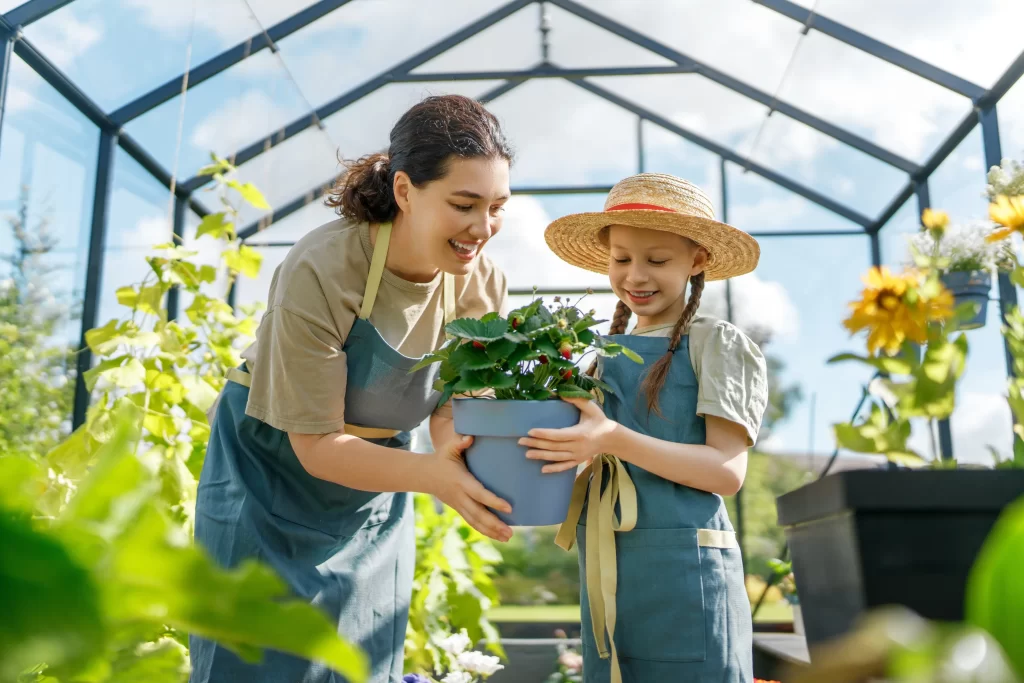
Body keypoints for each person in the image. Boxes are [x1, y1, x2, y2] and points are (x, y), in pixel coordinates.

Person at [190, 94, 517, 683]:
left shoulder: (481, 283)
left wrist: (453, 452)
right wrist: (438, 478)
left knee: (362, 660)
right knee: (252, 658)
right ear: (404, 190)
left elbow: (456, 404)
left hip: (378, 476)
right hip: (267, 469)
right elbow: (315, 447)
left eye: (497, 207)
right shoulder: (325, 265)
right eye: (464, 205)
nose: (482, 228)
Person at [522, 172, 769, 683]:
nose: (636, 275)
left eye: (657, 260)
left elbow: (725, 473)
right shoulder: (602, 356)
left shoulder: (715, 343)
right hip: (609, 565)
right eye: (622, 259)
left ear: (697, 260)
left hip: (686, 576)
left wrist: (611, 438)